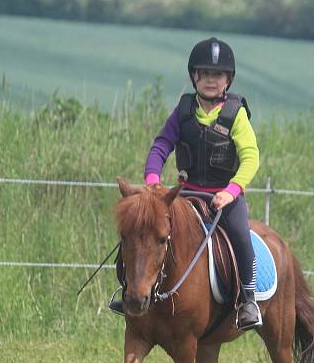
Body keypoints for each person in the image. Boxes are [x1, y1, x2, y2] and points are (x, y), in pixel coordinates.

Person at [112, 36, 263, 330]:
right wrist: (153, 181)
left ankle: (248, 299)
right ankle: (127, 290)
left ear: (228, 80)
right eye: (204, 74)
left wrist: (231, 192)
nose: (210, 80)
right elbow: (161, 146)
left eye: (217, 75)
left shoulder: (236, 114)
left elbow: (251, 158)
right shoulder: (183, 111)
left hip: (224, 198)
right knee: (139, 235)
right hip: (187, 194)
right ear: (194, 77)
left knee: (242, 237)